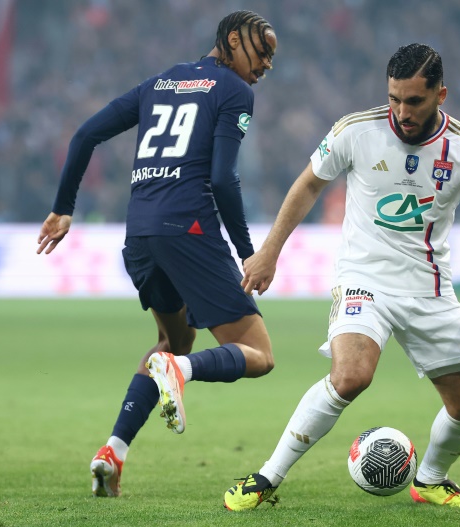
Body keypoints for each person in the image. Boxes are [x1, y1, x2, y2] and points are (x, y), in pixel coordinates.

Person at [223, 43, 460, 511]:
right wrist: (269, 252)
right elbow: (308, 185)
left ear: (440, 94)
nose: (402, 112)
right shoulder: (354, 131)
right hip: (365, 278)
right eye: (394, 99)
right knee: (350, 376)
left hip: (430, 287)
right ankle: (265, 478)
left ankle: (431, 480)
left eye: (415, 101)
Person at [36, 11, 277, 497]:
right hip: (190, 228)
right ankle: (182, 373)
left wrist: (64, 209)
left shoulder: (159, 83)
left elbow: (85, 134)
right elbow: (221, 179)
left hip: (141, 233)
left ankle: (113, 452)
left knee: (172, 341)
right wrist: (251, 253)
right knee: (259, 355)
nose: (267, 63)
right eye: (262, 50)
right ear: (233, 39)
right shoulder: (234, 92)